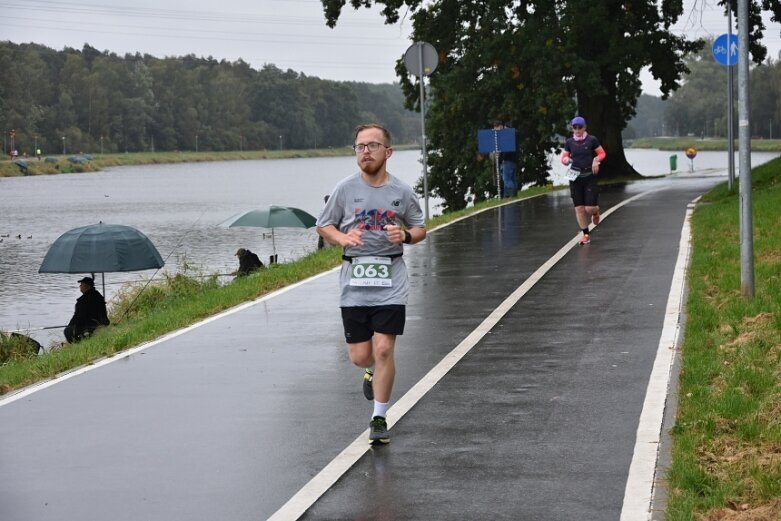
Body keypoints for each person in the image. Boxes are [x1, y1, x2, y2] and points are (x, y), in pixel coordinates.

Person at [316, 123, 426, 445]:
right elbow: (323, 225)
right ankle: (370, 371)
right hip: (355, 280)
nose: (366, 151)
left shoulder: (402, 192)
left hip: (391, 279)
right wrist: (343, 237)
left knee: (383, 349)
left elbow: (420, 229)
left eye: (373, 145)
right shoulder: (345, 189)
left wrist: (404, 235)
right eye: (360, 146)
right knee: (361, 355)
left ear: (388, 152)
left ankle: (379, 417)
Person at [560, 116, 606, 245]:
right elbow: (564, 157)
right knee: (579, 209)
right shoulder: (569, 142)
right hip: (574, 177)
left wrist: (596, 160)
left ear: (585, 127)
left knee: (589, 209)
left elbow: (602, 153)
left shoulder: (592, 140)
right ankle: (586, 234)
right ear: (572, 128)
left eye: (580, 127)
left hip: (589, 176)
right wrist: (566, 160)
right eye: (575, 127)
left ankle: (596, 212)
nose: (577, 130)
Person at [64, 277, 110, 343]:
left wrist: (70, 325)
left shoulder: (83, 300)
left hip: (89, 326)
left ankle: (77, 344)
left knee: (67, 330)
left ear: (87, 286)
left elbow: (77, 316)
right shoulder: (98, 296)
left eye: (81, 284)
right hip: (102, 323)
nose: (80, 286)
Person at [493, 120, 518, 198]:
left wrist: (501, 158)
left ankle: (512, 195)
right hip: (513, 160)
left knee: (506, 179)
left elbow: (506, 151)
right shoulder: (515, 135)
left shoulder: (508, 136)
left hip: (507, 160)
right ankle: (508, 195)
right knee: (512, 179)